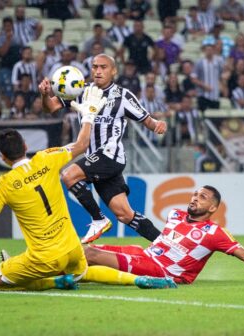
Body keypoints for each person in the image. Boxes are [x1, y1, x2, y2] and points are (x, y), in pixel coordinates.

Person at [0, 86, 176, 291]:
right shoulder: (47, 158)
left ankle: (56, 281)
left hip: (45, 258)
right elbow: (81, 144)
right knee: (85, 271)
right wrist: (88, 114)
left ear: (2, 157)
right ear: (25, 145)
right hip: (73, 248)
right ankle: (138, 280)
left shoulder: (3, 185)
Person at [39, 54, 167, 244]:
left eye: (103, 67)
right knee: (125, 214)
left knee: (68, 175)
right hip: (94, 159)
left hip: (110, 156)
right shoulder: (81, 91)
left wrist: (158, 123)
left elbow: (147, 120)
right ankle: (166, 245)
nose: (98, 71)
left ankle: (98, 219)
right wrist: (44, 94)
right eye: (94, 67)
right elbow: (50, 108)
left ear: (113, 71)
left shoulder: (123, 96)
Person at [84, 186, 244, 285]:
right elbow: (162, 238)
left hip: (162, 271)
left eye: (203, 197)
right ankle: (59, 274)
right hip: (145, 255)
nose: (195, 198)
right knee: (83, 251)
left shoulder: (215, 233)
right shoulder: (175, 214)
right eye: (195, 194)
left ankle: (53, 277)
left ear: (213, 208)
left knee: (91, 255)